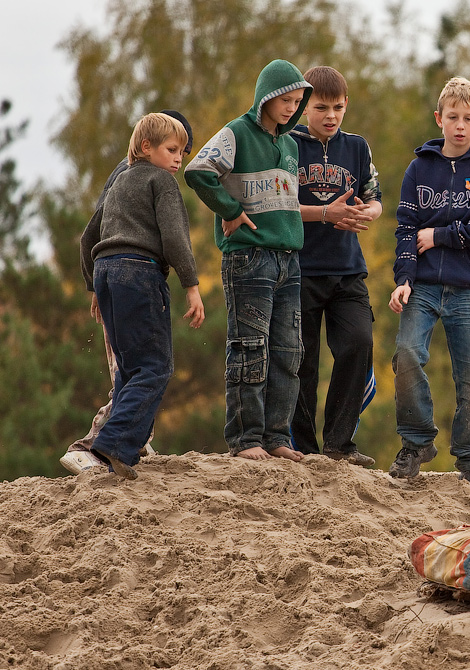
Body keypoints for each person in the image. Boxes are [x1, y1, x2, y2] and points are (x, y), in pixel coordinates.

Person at [387, 76, 470, 494]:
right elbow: (406, 228)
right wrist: (402, 279)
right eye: (453, 117)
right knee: (406, 354)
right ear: (439, 119)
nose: (460, 125)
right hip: (421, 285)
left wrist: (439, 236)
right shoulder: (418, 168)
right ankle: (416, 443)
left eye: (469, 118)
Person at [184, 59, 312, 463]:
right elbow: (198, 170)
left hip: (289, 261)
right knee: (249, 348)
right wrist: (229, 209)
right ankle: (245, 439)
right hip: (249, 258)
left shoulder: (291, 145)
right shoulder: (236, 132)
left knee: (288, 353)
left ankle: (277, 436)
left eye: (297, 101)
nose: (292, 108)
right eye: (285, 100)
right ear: (266, 98)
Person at [61, 109, 196, 476]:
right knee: (154, 366)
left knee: (126, 370)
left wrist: (94, 285)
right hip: (140, 274)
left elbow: (90, 235)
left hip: (107, 273)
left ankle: (121, 444)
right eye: (173, 150)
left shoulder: (119, 181)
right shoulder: (160, 182)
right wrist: (192, 285)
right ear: (146, 147)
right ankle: (107, 445)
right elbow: (175, 239)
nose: (178, 160)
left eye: (183, 153)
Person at [289, 65, 381, 467]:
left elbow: (374, 195)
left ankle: (340, 444)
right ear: (304, 106)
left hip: (348, 270)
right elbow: (280, 205)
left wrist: (367, 214)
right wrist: (327, 213)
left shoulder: (357, 146)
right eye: (322, 107)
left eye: (338, 107)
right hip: (300, 268)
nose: (331, 115)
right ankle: (304, 449)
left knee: (358, 343)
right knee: (302, 362)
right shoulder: (286, 144)